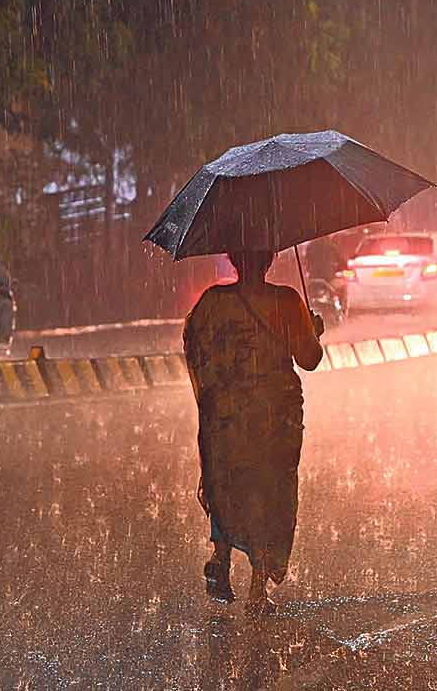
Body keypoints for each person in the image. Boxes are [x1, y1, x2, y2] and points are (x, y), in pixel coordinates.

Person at [183, 249, 325, 613]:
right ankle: (258, 591)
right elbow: (309, 359)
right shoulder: (286, 301)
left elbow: (195, 347)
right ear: (271, 259)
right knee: (270, 492)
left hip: (227, 418)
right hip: (273, 419)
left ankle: (221, 554)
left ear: (233, 258)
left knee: (227, 481)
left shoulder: (212, 302)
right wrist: (313, 330)